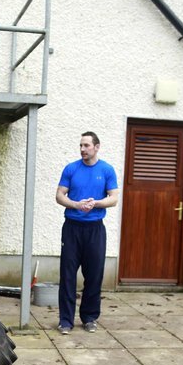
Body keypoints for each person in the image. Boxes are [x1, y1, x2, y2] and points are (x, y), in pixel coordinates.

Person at [55, 131, 119, 334]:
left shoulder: (107, 170)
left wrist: (96, 203)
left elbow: (114, 198)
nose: (82, 149)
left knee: (94, 275)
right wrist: (75, 204)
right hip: (72, 228)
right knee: (67, 275)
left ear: (97, 147)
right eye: (81, 146)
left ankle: (89, 317)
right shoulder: (71, 169)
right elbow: (59, 195)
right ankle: (65, 321)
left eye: (86, 146)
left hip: (95, 230)